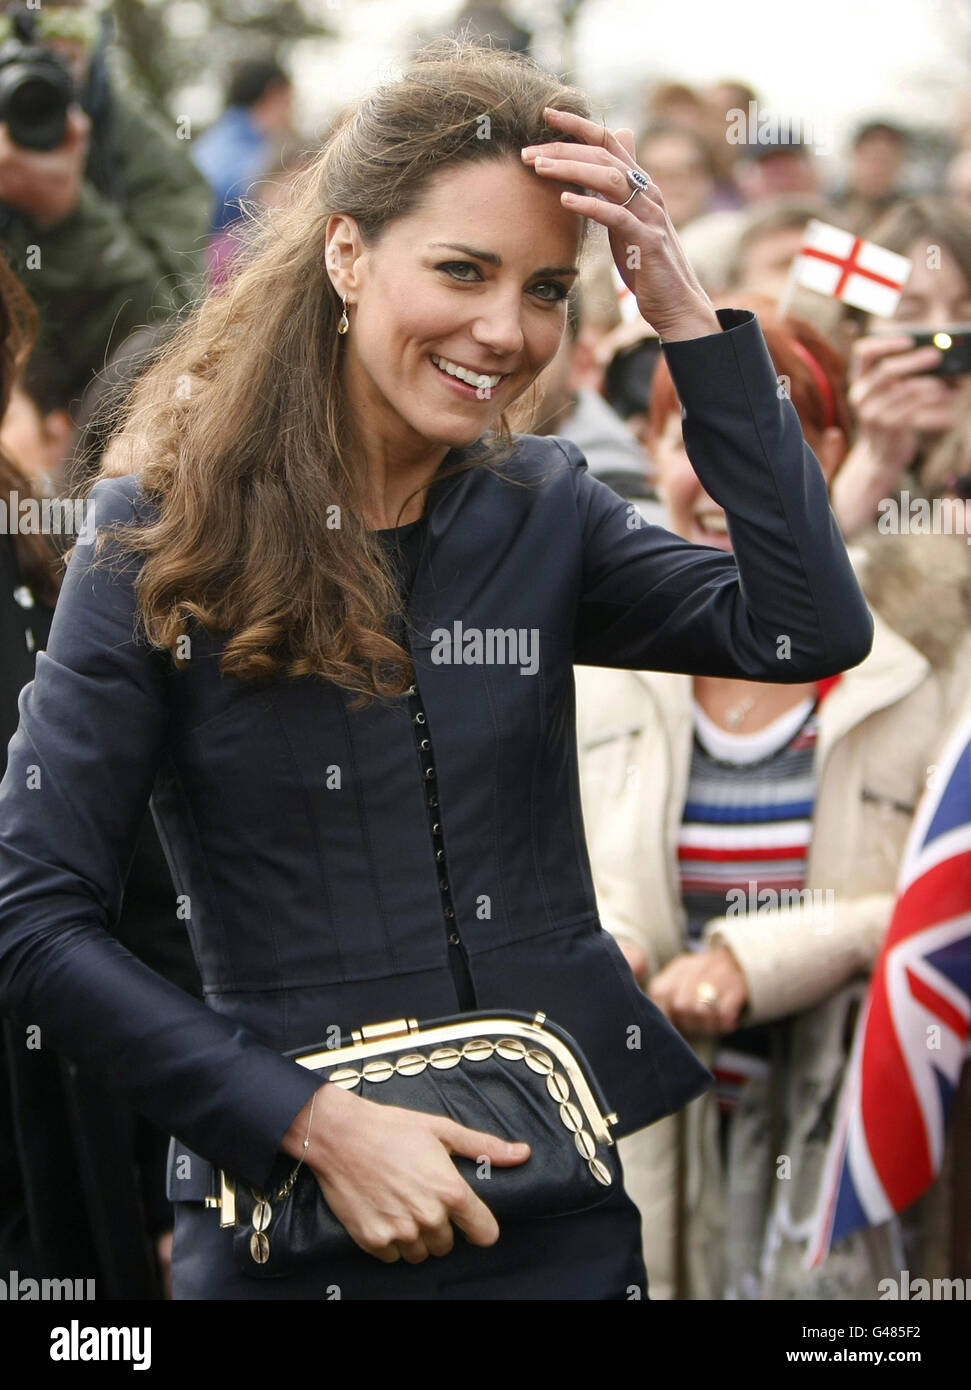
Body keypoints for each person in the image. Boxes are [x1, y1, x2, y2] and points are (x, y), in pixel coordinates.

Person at [0, 39, 872, 1301]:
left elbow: (803, 629)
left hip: (553, 1210)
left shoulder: (545, 506)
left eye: (543, 290)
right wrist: (310, 1123)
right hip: (291, 1225)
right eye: (460, 270)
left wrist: (685, 308)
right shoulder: (158, 533)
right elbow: (30, 917)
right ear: (346, 254)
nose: (501, 330)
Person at [575, 306, 944, 1299]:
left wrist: (756, 959)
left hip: (845, 1150)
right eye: (685, 434)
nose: (718, 477)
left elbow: (939, 907)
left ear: (825, 453)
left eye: (754, 440)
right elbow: (547, 872)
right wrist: (607, 942)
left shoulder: (912, 681)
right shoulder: (594, 671)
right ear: (647, 452)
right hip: (655, 1135)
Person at [0, 0, 210, 400]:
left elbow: (177, 346)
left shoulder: (147, 150)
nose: (38, 33)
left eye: (59, 9)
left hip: (97, 435)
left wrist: (67, 216)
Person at [830, 197, 971, 539]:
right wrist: (877, 462)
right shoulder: (811, 451)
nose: (942, 334)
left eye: (965, 313)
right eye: (910, 314)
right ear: (856, 339)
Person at [191, 57, 294, 235]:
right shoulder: (252, 159)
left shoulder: (209, 142)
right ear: (275, 92)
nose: (291, 112)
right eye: (290, 101)